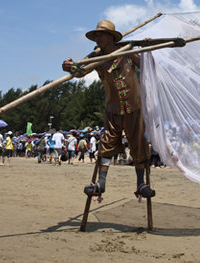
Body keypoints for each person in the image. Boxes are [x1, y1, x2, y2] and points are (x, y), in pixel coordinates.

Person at [62, 19, 155, 201]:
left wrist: (147, 51)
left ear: (111, 37)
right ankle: (100, 184)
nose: (97, 39)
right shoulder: (95, 57)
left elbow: (146, 67)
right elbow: (80, 71)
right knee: (107, 144)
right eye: (95, 36)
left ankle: (140, 184)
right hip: (113, 108)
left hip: (134, 107)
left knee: (138, 144)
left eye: (100, 35)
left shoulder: (126, 51)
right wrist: (69, 67)